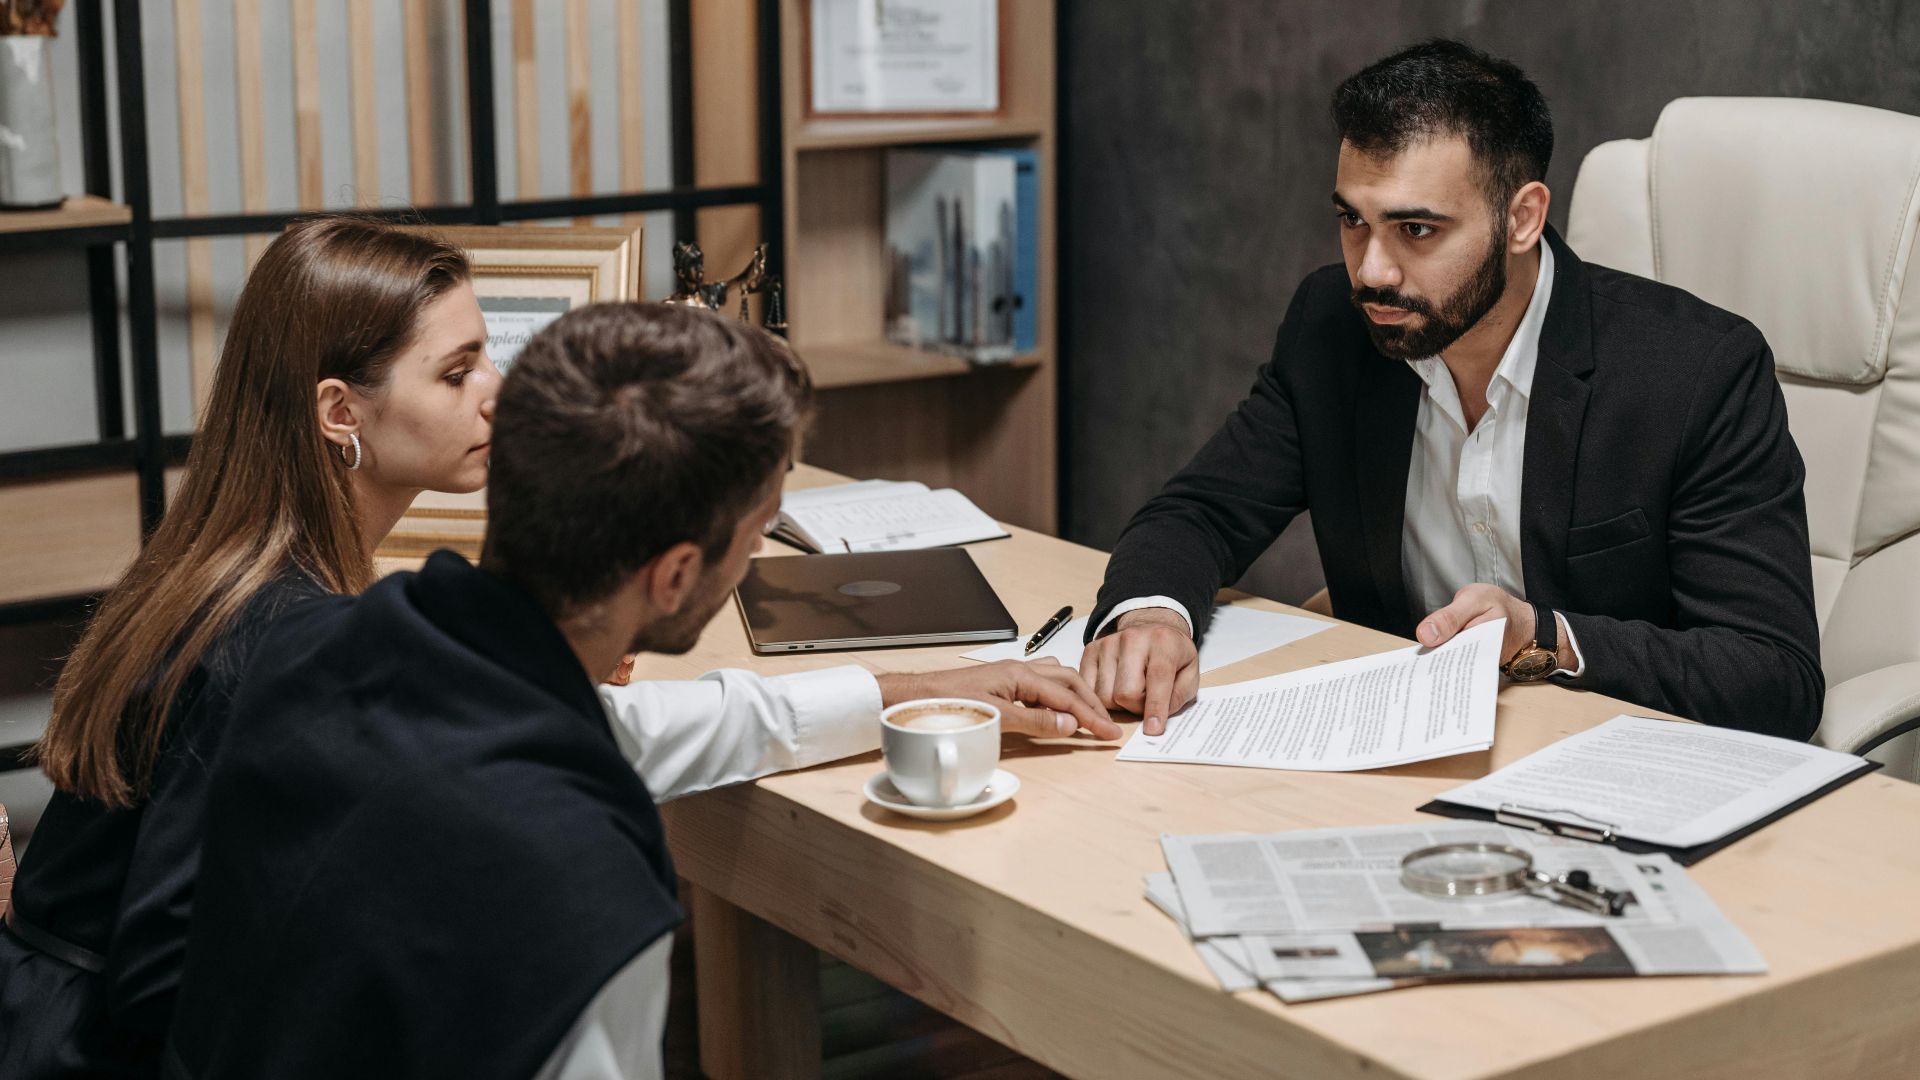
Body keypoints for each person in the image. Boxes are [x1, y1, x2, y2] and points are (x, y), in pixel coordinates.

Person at [163, 302, 1117, 1079]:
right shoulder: (581, 885)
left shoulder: (337, 650)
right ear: (671, 576)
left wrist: (926, 689)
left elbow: (642, 726)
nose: (757, 557)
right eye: (758, 534)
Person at [1079, 39, 1822, 740]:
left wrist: (1547, 637)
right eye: (1353, 221)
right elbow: (1201, 511)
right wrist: (1152, 615)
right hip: (1405, 750)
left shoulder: (1696, 373)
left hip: (1622, 764)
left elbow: (1772, 676)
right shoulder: (1334, 329)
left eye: (1417, 230)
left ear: (1522, 218)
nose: (1371, 270)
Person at [0, 215, 500, 1078]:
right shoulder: (275, 629)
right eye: (458, 373)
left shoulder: (236, 558)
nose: (498, 388)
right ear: (340, 411)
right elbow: (167, 972)